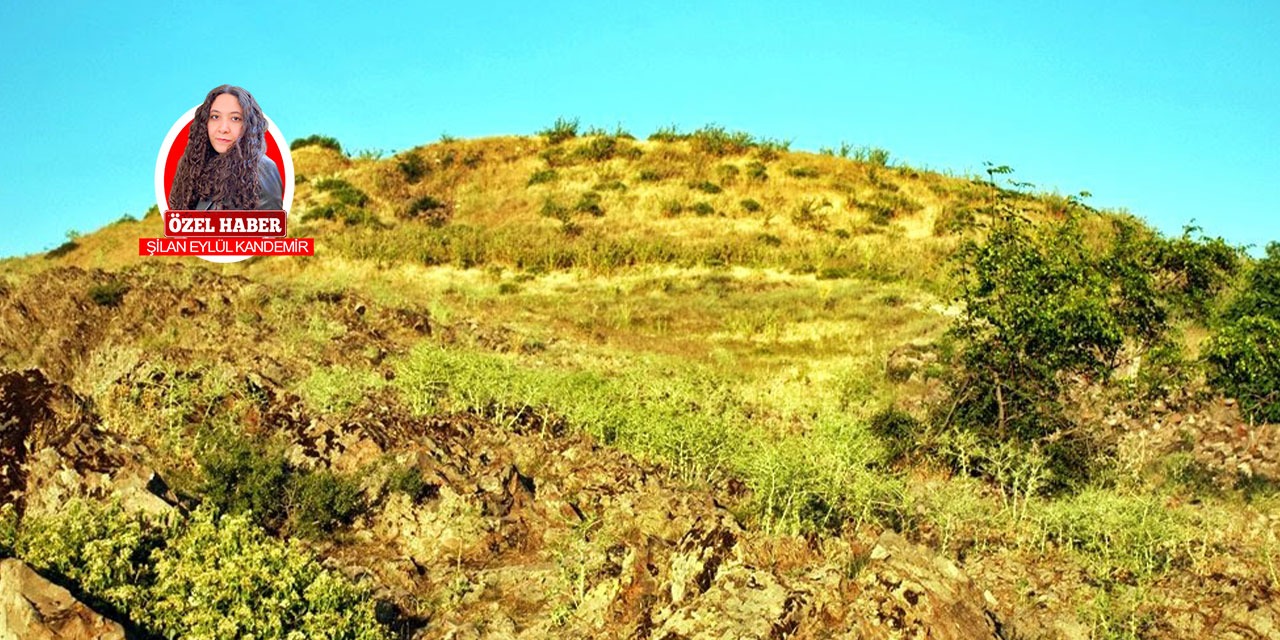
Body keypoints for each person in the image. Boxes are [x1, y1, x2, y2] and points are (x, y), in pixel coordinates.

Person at [168, 85, 283, 211]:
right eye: (215, 117)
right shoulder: (193, 166)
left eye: (235, 118)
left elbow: (271, 226)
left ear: (248, 125)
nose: (223, 128)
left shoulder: (262, 169)